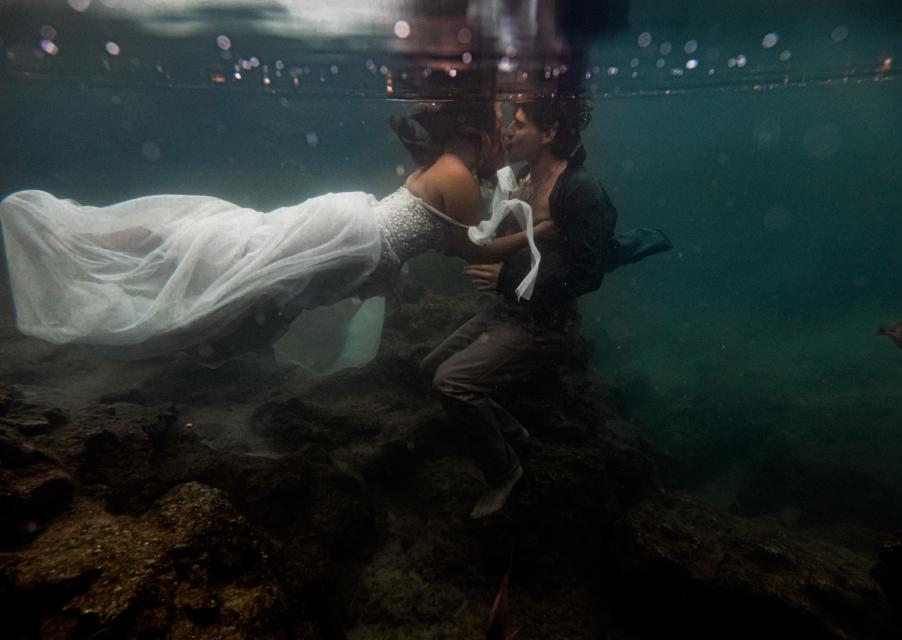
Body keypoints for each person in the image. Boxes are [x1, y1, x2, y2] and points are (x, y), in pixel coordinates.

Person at [0, 101, 552, 365]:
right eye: (503, 132)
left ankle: (108, 245)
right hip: (352, 242)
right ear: (480, 134)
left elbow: (467, 232)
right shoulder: (458, 175)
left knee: (241, 255)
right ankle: (89, 240)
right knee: (233, 258)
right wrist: (542, 233)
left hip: (350, 237)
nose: (506, 142)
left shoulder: (450, 164)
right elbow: (467, 250)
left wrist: (524, 220)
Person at [419, 97, 618, 519]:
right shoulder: (524, 179)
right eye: (511, 121)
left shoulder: (580, 190)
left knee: (451, 383)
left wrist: (507, 280)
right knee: (429, 369)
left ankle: (504, 470)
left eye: (520, 124)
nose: (508, 130)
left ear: (550, 135)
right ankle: (513, 432)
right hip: (509, 312)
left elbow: (588, 274)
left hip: (547, 325)